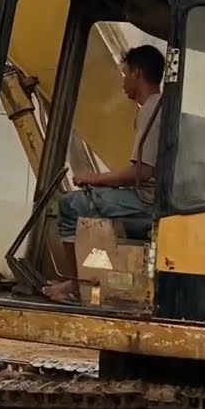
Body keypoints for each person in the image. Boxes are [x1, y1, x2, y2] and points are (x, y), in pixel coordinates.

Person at [41, 44, 164, 303]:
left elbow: (142, 170)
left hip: (152, 201)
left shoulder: (153, 110)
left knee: (71, 205)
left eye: (125, 73)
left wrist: (95, 178)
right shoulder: (164, 106)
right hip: (157, 195)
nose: (122, 82)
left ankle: (76, 284)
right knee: (97, 199)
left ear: (137, 74)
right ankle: (82, 278)